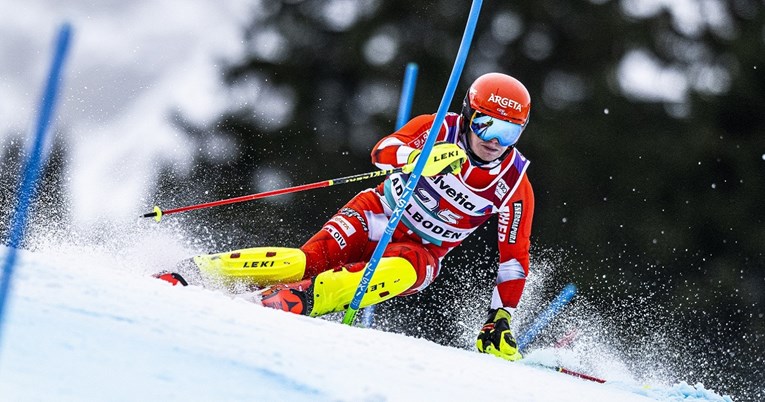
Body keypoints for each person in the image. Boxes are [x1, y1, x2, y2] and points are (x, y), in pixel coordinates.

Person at [157, 72, 535, 362]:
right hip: (376, 212)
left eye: (509, 132)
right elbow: (383, 150)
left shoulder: (514, 182)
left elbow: (514, 260)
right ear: (470, 115)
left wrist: (499, 317)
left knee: (399, 273)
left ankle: (297, 301)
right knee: (302, 262)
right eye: (487, 125)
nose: (495, 142)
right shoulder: (439, 129)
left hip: (422, 251)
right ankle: (195, 272)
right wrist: (416, 159)